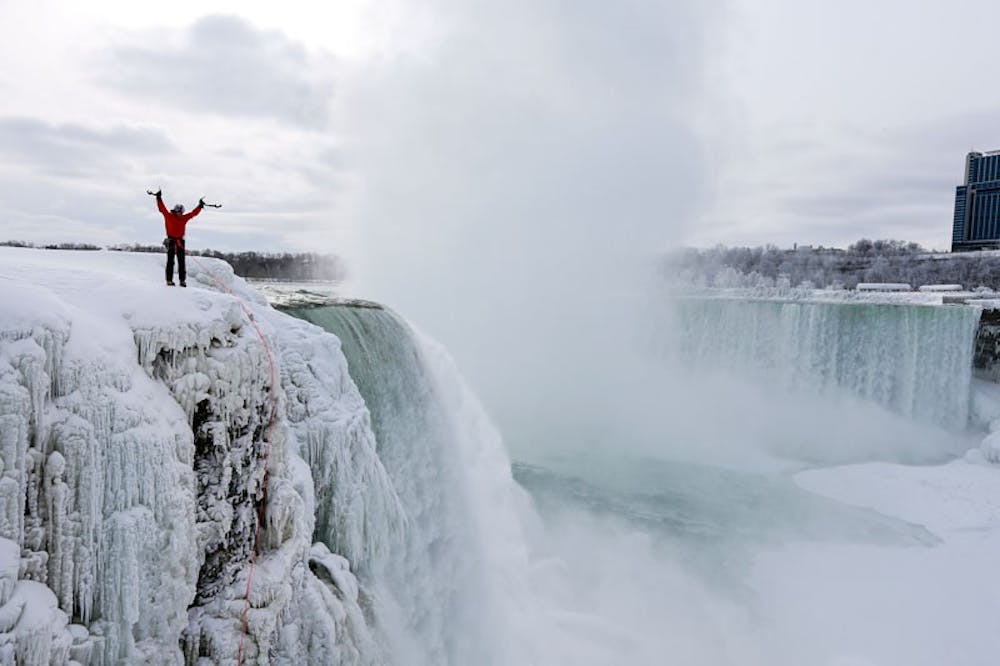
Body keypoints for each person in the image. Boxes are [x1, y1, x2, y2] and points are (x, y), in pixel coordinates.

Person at [153, 190, 205, 287]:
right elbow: (162, 208)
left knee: (181, 262)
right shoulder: (168, 216)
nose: (180, 214)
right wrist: (159, 198)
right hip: (171, 241)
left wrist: (200, 206)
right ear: (175, 210)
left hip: (180, 241)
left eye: (181, 212)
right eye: (178, 212)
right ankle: (169, 280)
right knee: (170, 261)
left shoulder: (184, 218)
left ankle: (182, 281)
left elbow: (193, 213)